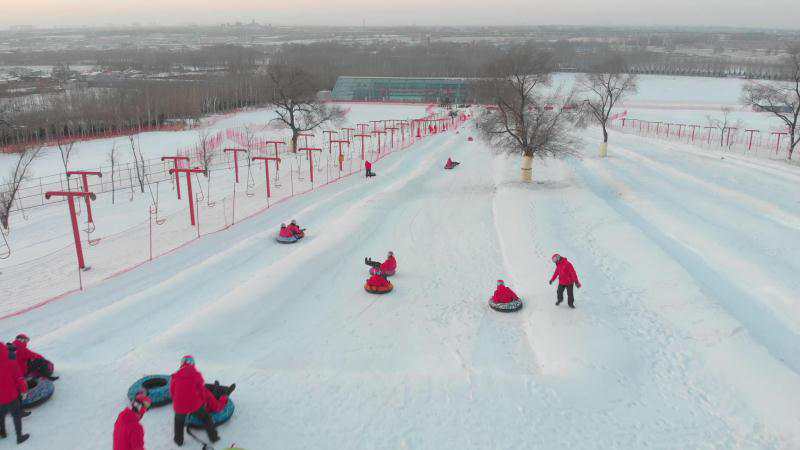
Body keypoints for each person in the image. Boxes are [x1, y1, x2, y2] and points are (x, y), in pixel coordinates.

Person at [170, 355, 218, 446]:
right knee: (206, 418)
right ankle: (213, 437)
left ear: (182, 363)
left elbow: (172, 391)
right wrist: (203, 402)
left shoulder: (175, 376)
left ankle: (178, 440)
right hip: (194, 405)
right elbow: (202, 391)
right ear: (193, 364)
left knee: (178, 421)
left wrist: (177, 401)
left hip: (179, 406)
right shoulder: (197, 375)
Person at [0, 344, 29, 444]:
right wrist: (24, 391)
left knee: (1, 416)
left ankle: (2, 433)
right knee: (16, 416)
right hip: (12, 396)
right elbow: (20, 379)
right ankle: (19, 437)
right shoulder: (11, 363)